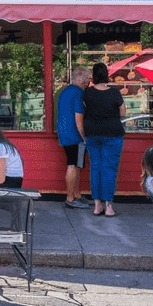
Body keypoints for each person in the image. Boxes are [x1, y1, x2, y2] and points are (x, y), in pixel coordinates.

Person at [82, 62, 125, 218]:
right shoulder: (114, 93)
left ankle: (97, 205)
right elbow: (123, 113)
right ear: (107, 75)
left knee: (95, 167)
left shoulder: (87, 93)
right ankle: (108, 207)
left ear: (93, 76)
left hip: (92, 133)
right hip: (112, 133)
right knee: (109, 169)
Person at [57, 67, 91, 208]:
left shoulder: (65, 91)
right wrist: (84, 137)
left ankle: (76, 194)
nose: (89, 82)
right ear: (84, 80)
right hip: (75, 135)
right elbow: (79, 118)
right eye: (88, 79)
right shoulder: (79, 93)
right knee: (73, 165)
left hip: (64, 132)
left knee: (77, 165)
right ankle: (70, 198)